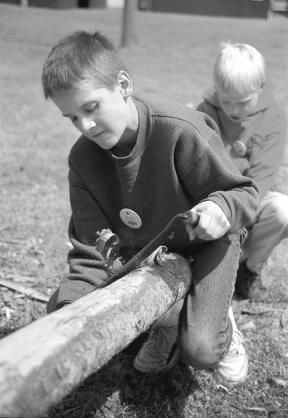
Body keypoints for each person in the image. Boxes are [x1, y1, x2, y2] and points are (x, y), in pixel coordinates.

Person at [42, 31, 259, 384]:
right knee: (58, 310)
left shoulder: (180, 131)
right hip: (148, 252)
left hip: (208, 244)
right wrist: (71, 312)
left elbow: (244, 193)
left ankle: (220, 324)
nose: (85, 126)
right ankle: (173, 318)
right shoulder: (83, 160)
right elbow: (90, 248)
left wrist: (220, 207)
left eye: (90, 107)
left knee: (201, 350)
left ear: (123, 84)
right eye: (72, 118)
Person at [197, 43, 288, 301]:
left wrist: (240, 218)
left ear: (260, 88)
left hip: (250, 198)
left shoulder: (274, 118)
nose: (234, 110)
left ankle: (248, 269)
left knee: (283, 211)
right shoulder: (204, 112)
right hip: (212, 198)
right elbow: (196, 166)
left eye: (243, 102)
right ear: (217, 90)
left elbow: (262, 177)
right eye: (226, 101)